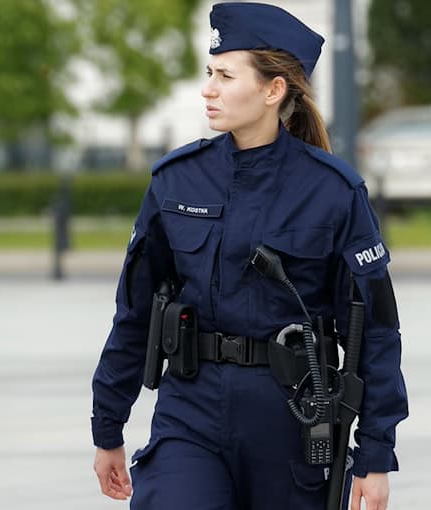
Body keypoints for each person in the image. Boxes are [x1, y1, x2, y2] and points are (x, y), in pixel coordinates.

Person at [91, 3, 407, 510]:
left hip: (292, 422)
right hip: (190, 413)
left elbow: (375, 331)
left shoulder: (333, 192)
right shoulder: (176, 180)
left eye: (224, 75)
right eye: (209, 73)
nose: (207, 88)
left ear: (272, 90)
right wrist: (107, 423)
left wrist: (374, 454)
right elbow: (134, 312)